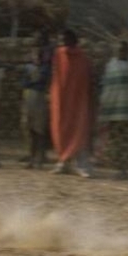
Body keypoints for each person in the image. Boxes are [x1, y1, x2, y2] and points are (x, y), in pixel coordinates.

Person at [49, 28, 94, 178]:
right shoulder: (58, 55)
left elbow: (86, 80)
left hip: (77, 101)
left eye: (66, 40)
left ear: (73, 41)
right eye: (62, 40)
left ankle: (81, 164)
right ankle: (63, 161)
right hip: (61, 99)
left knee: (78, 131)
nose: (63, 43)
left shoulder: (82, 58)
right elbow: (56, 75)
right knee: (60, 129)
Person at [98, 40, 128, 179]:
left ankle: (126, 169)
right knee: (116, 141)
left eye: (124, 50)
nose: (121, 52)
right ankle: (118, 169)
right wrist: (105, 106)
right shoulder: (111, 66)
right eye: (119, 50)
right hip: (115, 110)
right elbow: (108, 87)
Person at [20, 46, 49, 169]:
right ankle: (31, 158)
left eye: (38, 55)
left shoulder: (45, 69)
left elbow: (42, 82)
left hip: (39, 99)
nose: (36, 58)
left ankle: (40, 158)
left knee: (40, 130)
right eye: (34, 55)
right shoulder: (28, 68)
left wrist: (32, 82)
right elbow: (24, 83)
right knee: (29, 129)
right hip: (29, 98)